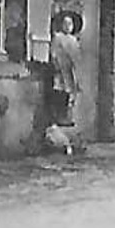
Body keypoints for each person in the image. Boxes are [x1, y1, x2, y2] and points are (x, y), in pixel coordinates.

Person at [45, 11, 83, 155]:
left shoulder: (73, 41)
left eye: (70, 24)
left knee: (70, 96)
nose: (68, 27)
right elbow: (54, 54)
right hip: (60, 71)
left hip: (69, 72)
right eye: (65, 24)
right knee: (59, 93)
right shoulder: (58, 38)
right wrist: (57, 65)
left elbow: (77, 58)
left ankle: (67, 120)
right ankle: (57, 122)